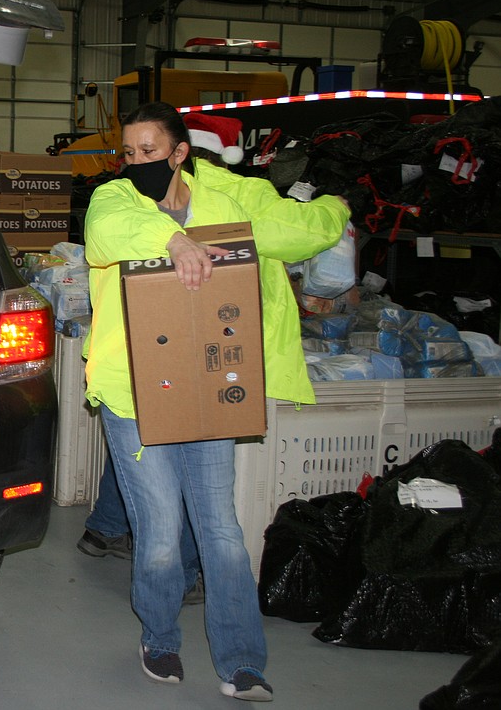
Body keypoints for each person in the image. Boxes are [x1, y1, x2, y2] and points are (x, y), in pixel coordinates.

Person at [83, 102, 347, 701]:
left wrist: (333, 213)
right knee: (159, 530)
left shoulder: (226, 206)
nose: (136, 162)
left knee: (222, 531)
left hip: (210, 388)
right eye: (128, 152)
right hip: (133, 395)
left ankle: (242, 659)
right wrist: (173, 240)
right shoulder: (115, 200)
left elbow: (268, 252)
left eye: (149, 151)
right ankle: (160, 637)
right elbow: (105, 238)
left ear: (180, 153)